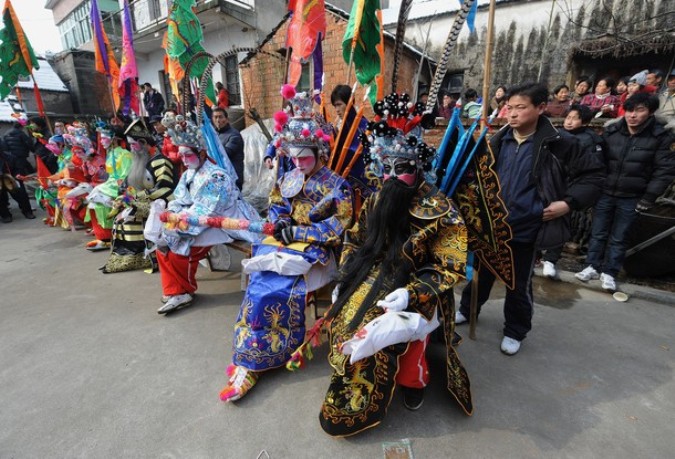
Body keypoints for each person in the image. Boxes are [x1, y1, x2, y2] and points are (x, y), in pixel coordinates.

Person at [317, 92, 472, 437]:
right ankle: (349, 386)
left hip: (419, 288)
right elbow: (356, 240)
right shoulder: (376, 198)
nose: (390, 177)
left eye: (401, 169)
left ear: (418, 167)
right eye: (385, 168)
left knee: (382, 328)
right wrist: (346, 276)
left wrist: (411, 295)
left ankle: (412, 378)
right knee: (346, 321)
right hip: (372, 276)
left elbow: (449, 265)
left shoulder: (441, 210)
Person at [219, 88, 353, 403]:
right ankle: (249, 356)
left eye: (304, 156)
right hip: (281, 246)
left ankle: (263, 358)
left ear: (319, 151)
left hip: (316, 253)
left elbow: (340, 224)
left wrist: (301, 234)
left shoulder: (337, 185)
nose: (298, 162)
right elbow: (278, 204)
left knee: (273, 291)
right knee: (257, 287)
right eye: (293, 156)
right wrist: (280, 221)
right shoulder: (290, 176)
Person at [455, 83, 604, 355]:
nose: (512, 114)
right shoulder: (498, 141)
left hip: (527, 225)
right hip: (491, 225)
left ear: (540, 108)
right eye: (509, 107)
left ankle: (515, 329)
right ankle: (468, 310)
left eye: (520, 108)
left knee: (517, 282)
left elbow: (593, 178)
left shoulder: (560, 144)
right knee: (481, 274)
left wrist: (567, 203)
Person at [151, 118, 260, 314]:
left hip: (223, 222)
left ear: (201, 153)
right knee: (163, 243)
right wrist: (172, 213)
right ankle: (177, 290)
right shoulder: (189, 174)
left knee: (176, 245)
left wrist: (177, 225)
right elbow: (179, 198)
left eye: (187, 155)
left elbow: (207, 210)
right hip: (198, 218)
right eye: (181, 155)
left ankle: (182, 291)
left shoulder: (216, 177)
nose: (183, 160)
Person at [575, 93, 675, 291]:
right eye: (630, 110)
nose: (633, 115)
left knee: (620, 236)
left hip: (633, 196)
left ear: (650, 112)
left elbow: (664, 171)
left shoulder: (660, 137)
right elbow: (598, 162)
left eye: (639, 110)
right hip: (605, 192)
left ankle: (610, 272)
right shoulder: (612, 131)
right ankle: (591, 266)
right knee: (598, 232)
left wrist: (649, 197)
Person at [101, 120, 176, 273]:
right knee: (121, 215)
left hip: (162, 202)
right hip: (144, 200)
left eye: (134, 144)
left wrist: (134, 200)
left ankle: (147, 257)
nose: (131, 148)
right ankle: (128, 257)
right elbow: (129, 188)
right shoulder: (139, 161)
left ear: (143, 142)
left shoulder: (161, 161)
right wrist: (123, 199)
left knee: (131, 215)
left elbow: (164, 187)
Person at [541, 104, 604, 278]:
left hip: (569, 189)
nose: (569, 121)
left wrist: (574, 196)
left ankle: (551, 260)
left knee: (559, 225)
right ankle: (535, 258)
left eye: (574, 118)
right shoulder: (555, 136)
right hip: (549, 186)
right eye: (568, 117)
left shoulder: (591, 140)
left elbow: (592, 172)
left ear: (584, 121)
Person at [84, 126, 133, 251]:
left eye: (104, 138)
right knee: (92, 200)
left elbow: (125, 175)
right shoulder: (110, 153)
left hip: (121, 185)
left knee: (97, 198)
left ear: (114, 139)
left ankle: (108, 237)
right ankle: (103, 236)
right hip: (109, 183)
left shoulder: (125, 154)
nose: (101, 141)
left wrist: (116, 187)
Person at [329, 84, 378, 203]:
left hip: (359, 182)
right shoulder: (341, 126)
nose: (337, 110)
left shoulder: (362, 125)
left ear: (349, 102)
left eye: (339, 104)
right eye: (335, 106)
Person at [2, 120, 35, 219]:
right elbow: (28, 144)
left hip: (11, 165)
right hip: (15, 161)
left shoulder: (4, 137)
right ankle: (6, 215)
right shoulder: (18, 134)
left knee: (19, 189)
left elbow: (6, 151)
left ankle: (26, 211)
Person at [212, 108, 245, 190]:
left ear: (227, 119)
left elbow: (225, 154)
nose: (218, 120)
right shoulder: (214, 134)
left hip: (233, 177)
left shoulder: (234, 135)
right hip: (220, 176)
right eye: (215, 117)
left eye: (220, 117)